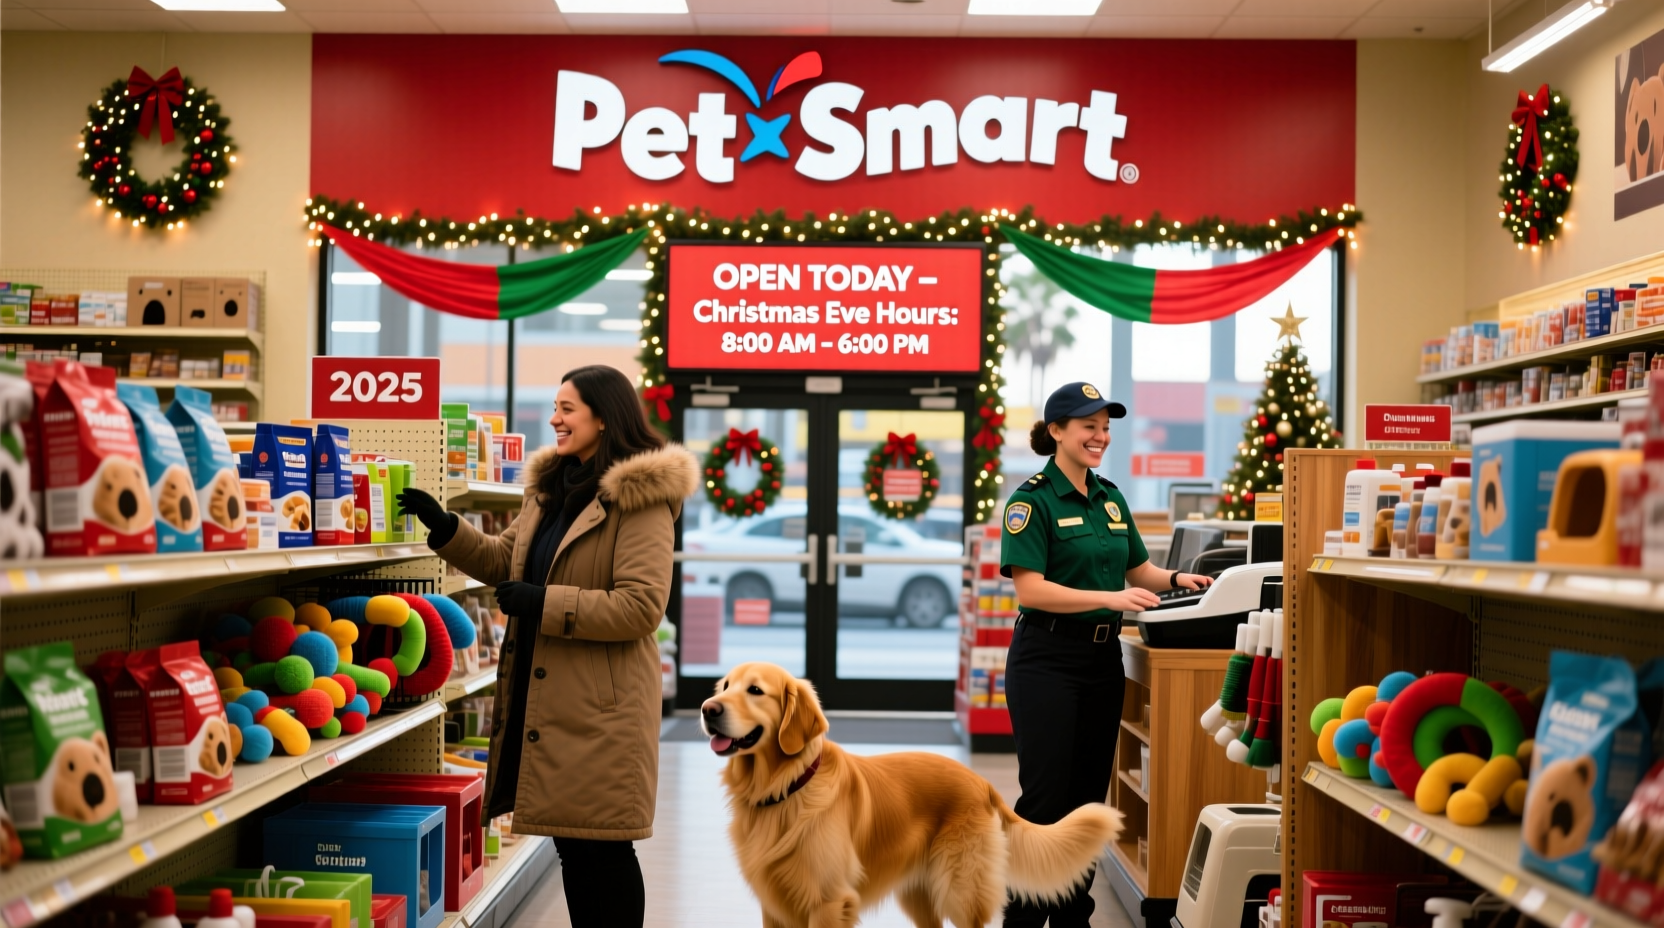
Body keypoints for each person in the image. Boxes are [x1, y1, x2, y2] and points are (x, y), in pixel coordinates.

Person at [397, 365, 697, 928]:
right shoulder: (550, 492)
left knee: (603, 851)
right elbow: (500, 562)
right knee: (572, 847)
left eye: (567, 409)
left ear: (604, 417)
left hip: (602, 711)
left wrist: (543, 602)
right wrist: (444, 527)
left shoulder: (641, 502)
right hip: (555, 704)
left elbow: (640, 608)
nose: (554, 419)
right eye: (555, 407)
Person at [998, 382, 1212, 928]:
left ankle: (1073, 917)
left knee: (1088, 802)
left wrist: (1178, 578)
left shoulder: (1110, 497)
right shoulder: (1031, 501)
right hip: (1045, 660)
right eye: (1089, 426)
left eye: (1106, 426)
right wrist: (1108, 597)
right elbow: (1030, 590)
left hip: (1100, 664)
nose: (1101, 436)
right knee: (1045, 798)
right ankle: (1022, 918)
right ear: (1056, 432)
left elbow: (1140, 570)